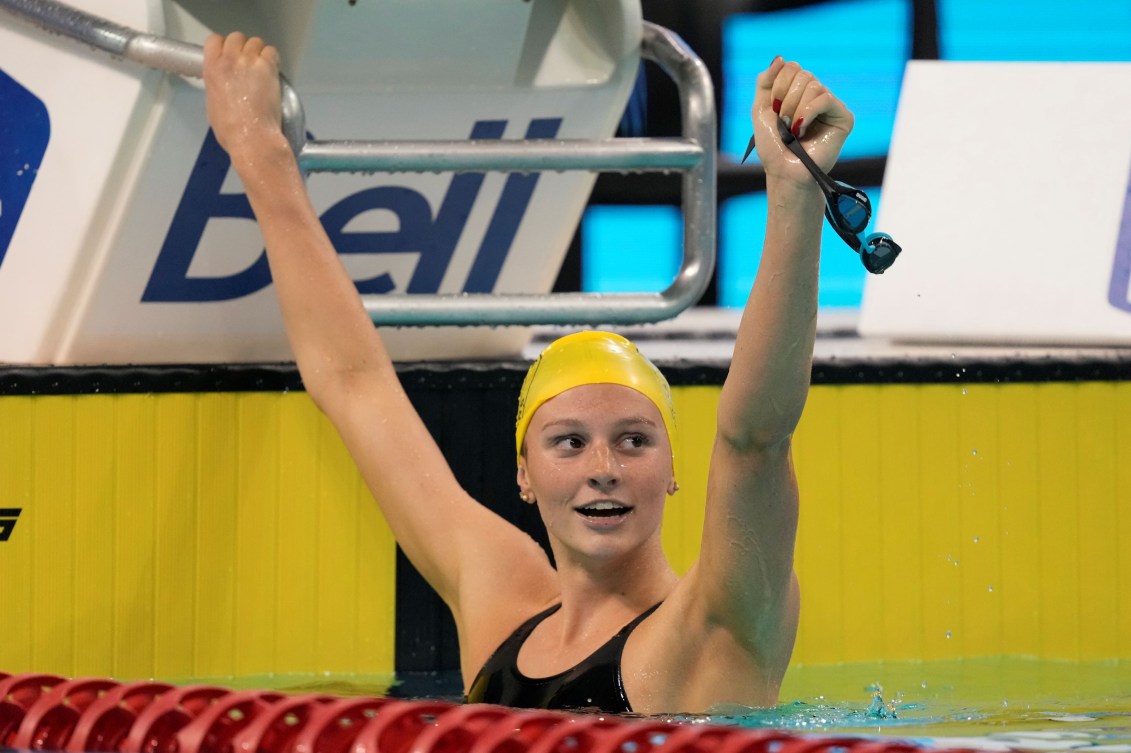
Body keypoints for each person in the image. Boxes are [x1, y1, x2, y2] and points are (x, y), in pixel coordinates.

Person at [201, 32, 853, 715]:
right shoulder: (500, 594)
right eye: (568, 442)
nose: (603, 467)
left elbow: (754, 437)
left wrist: (792, 194)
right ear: (523, 471)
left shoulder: (714, 625)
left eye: (633, 440)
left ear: (670, 467)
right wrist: (259, 153)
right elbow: (352, 382)